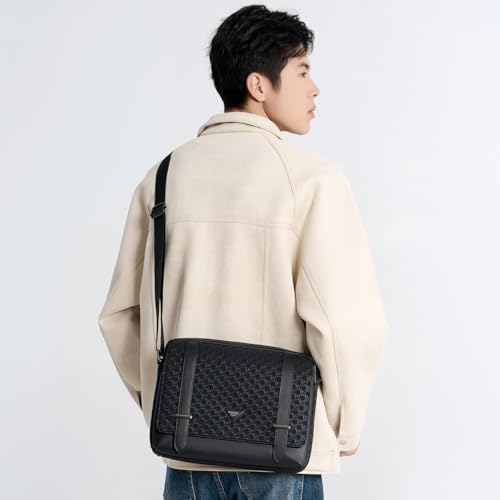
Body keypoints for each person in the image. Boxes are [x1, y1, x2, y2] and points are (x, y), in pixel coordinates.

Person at [98, 4, 389, 499]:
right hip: (281, 452)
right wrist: (341, 428)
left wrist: (167, 405)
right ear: (259, 85)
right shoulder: (311, 180)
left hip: (187, 453)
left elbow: (121, 316)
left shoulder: (163, 177)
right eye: (302, 71)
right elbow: (344, 324)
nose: (315, 89)